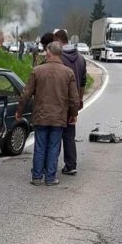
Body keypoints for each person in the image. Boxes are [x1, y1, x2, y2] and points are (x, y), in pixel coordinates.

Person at [15, 41, 79, 186]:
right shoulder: (68, 72)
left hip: (40, 116)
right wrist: (73, 114)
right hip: (59, 117)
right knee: (54, 147)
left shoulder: (37, 70)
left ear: (49, 53)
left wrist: (19, 111)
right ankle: (50, 178)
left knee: (40, 146)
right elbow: (74, 99)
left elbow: (26, 94)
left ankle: (37, 177)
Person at [53, 29, 87, 176]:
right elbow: (83, 82)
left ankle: (51, 166)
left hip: (59, 102)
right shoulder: (81, 59)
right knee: (69, 136)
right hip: (73, 103)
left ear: (58, 40)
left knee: (54, 136)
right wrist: (80, 99)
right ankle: (71, 165)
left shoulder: (59, 58)